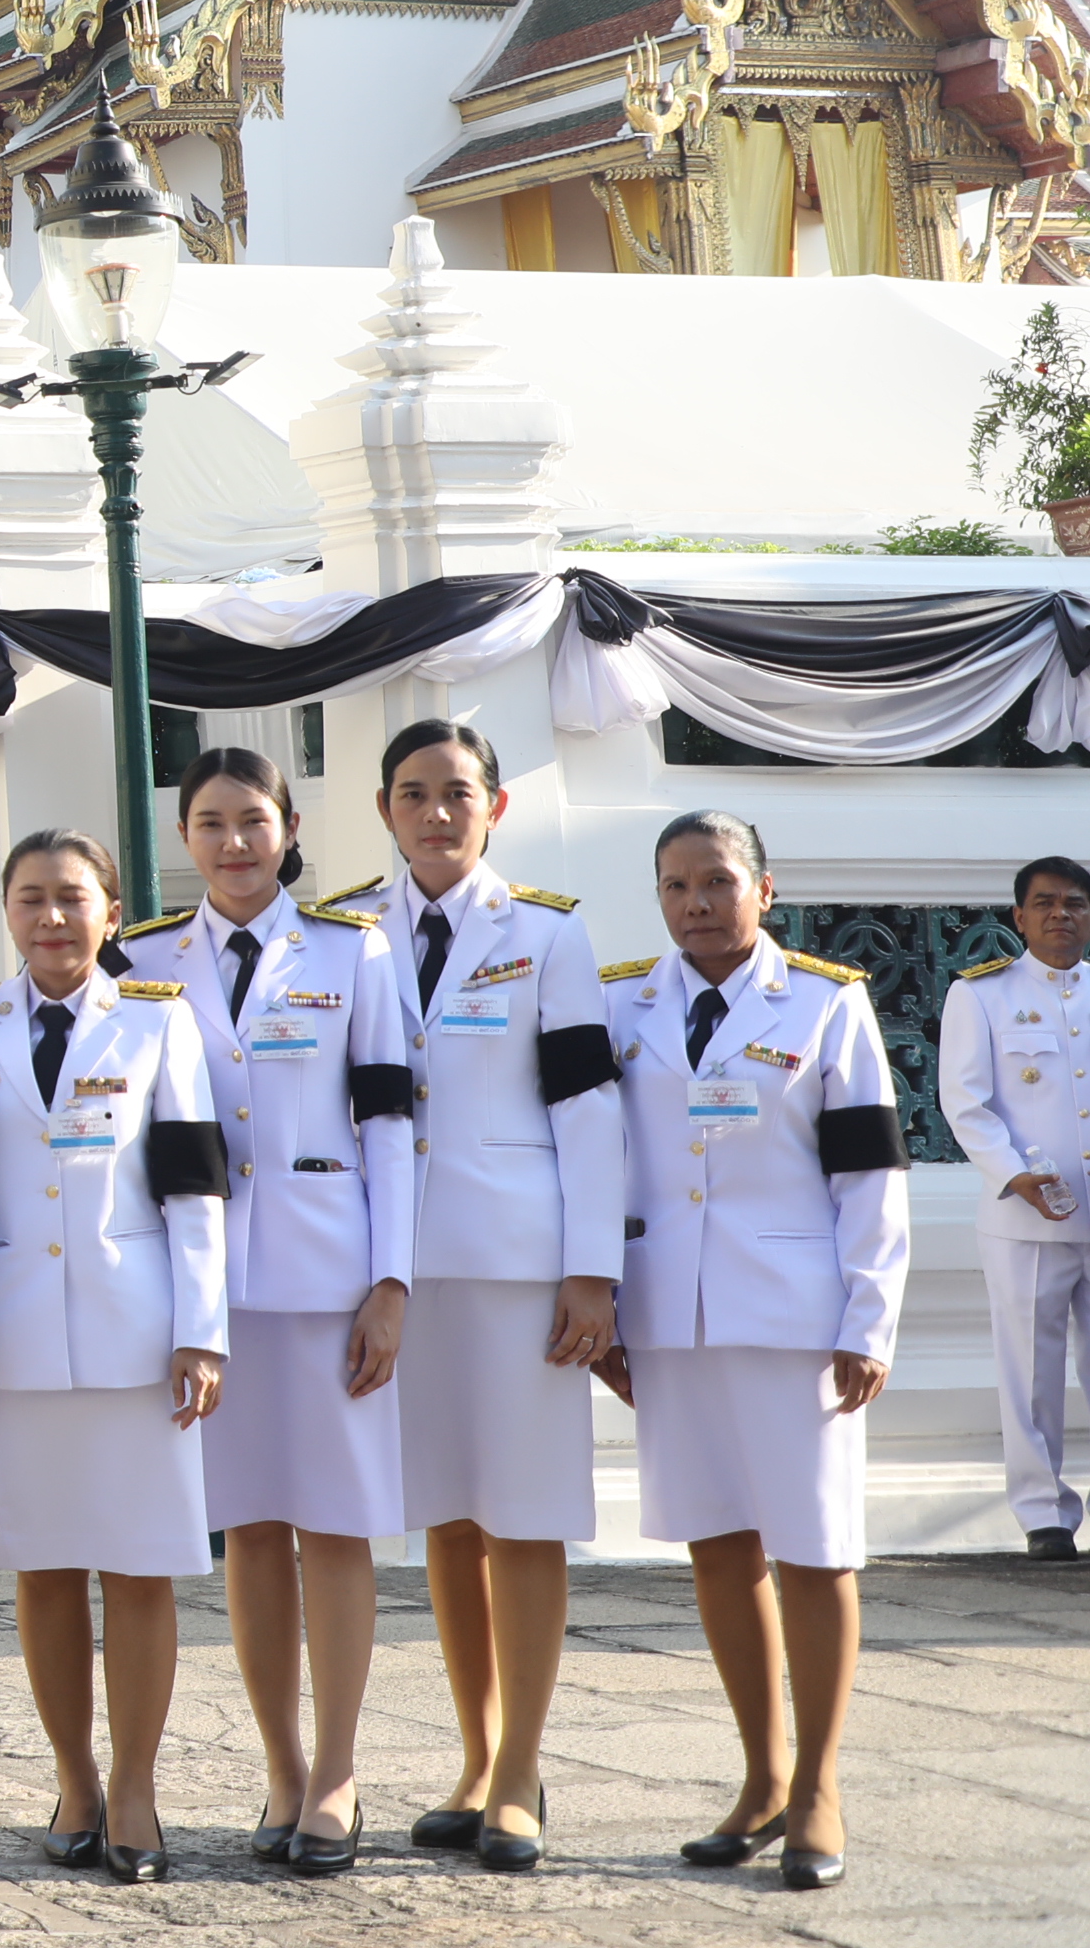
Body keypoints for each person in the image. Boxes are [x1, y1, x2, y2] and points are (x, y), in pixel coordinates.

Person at [316, 717, 618, 1873]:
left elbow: (587, 1107)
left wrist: (592, 1267)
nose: (435, 813)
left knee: (524, 1511)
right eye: (412, 794)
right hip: (395, 1262)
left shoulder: (547, 933)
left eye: (457, 792)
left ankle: (525, 1769)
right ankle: (477, 1753)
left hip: (516, 1261)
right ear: (385, 812)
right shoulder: (348, 932)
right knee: (443, 1514)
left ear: (493, 806)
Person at [599, 810, 910, 1895]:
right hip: (672, 1321)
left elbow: (869, 1170)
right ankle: (762, 1777)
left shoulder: (826, 1003)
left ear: (763, 891)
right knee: (717, 1548)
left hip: (794, 1323)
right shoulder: (622, 1002)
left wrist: (868, 1320)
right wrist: (609, 1311)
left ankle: (821, 1785)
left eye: (717, 881)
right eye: (676, 885)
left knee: (816, 1550)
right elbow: (607, 1165)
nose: (696, 902)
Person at [128, 748, 412, 1875]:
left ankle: (338, 1773)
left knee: (337, 1528)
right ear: (185, 838)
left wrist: (392, 1281)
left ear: (291, 829)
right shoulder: (147, 957)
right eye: (211, 823)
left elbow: (390, 1118)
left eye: (254, 822)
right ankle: (282, 1766)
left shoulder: (354, 950)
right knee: (248, 1529)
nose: (234, 843)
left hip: (330, 1275)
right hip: (205, 1288)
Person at [0, 829, 228, 1887]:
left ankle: (140, 1788)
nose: (52, 918)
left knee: (142, 1569)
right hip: (14, 1332)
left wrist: (204, 1329)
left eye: (73, 898)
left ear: (112, 911)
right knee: (46, 1568)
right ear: (7, 912)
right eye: (31, 899)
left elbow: (194, 1183)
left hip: (137, 1331)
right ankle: (74, 1780)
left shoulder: (158, 1023)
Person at [943, 856, 1090, 1560]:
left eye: (1076, 903)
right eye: (1046, 903)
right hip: (1025, 1218)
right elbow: (965, 1103)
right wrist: (1013, 1175)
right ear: (1019, 918)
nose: (1062, 914)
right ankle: (1045, 1516)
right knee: (1031, 1371)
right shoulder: (983, 996)